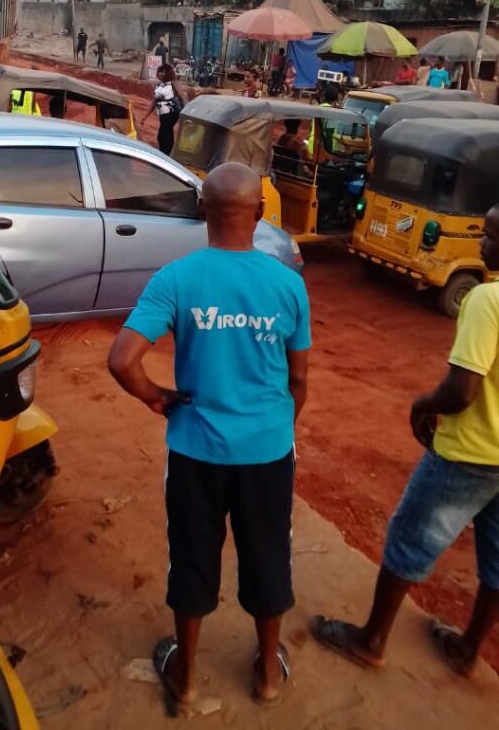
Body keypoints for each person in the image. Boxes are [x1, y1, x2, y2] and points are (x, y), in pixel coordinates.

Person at [108, 163, 310, 713]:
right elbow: (298, 380)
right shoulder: (288, 284)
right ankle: (267, 676)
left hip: (195, 450)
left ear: (202, 210)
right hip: (267, 452)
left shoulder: (176, 279)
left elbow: (122, 360)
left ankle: (188, 678)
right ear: (261, 214)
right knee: (268, 552)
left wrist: (156, 397)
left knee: (192, 555)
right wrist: (276, 426)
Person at [311, 203, 499, 677]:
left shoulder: (487, 300)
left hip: (470, 452)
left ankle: (371, 640)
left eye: (492, 236)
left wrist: (422, 406)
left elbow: (461, 391)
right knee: (497, 559)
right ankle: (467, 650)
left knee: (411, 537)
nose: (482, 242)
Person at [142, 63, 183, 155]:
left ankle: (166, 154)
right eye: (159, 72)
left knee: (164, 134)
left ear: (168, 73)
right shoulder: (159, 86)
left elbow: (182, 96)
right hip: (163, 114)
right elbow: (154, 102)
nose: (160, 74)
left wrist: (186, 112)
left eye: (163, 72)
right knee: (163, 134)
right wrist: (144, 117)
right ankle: (166, 153)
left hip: (171, 113)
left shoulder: (173, 83)